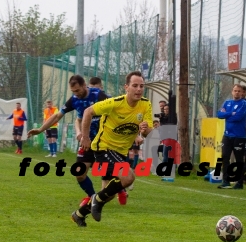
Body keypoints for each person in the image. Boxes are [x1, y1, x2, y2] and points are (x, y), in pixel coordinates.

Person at [28, 75, 129, 207]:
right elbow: (57, 116)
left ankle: (118, 189)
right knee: (79, 173)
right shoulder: (74, 100)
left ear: (83, 85)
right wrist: (40, 129)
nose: (76, 94)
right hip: (87, 141)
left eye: (77, 90)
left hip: (104, 142)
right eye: (73, 91)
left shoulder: (98, 95)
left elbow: (118, 108)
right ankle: (92, 197)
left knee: (107, 184)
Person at [72, 70, 153, 227]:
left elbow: (148, 131)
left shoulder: (145, 104)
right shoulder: (114, 103)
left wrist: (144, 130)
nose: (138, 89)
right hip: (104, 148)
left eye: (141, 86)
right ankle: (96, 199)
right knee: (129, 177)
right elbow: (88, 112)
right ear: (126, 87)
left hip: (121, 152)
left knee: (108, 194)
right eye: (135, 85)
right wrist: (86, 137)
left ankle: (79, 214)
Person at [217, 84, 246, 189]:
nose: (237, 92)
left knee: (239, 159)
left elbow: (238, 117)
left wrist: (227, 114)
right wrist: (231, 113)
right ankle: (225, 180)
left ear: (242, 93)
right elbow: (219, 115)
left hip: (239, 135)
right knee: (225, 156)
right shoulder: (227, 102)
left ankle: (239, 182)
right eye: (235, 90)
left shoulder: (244, 104)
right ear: (232, 91)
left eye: (239, 91)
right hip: (227, 134)